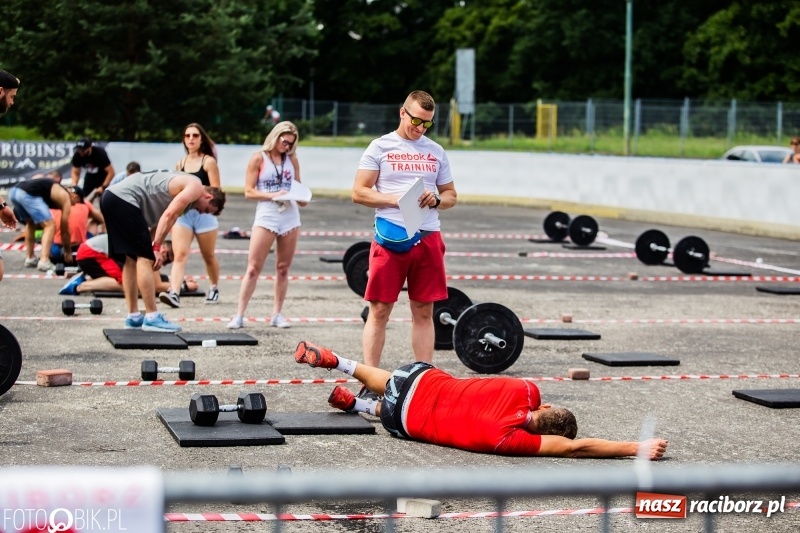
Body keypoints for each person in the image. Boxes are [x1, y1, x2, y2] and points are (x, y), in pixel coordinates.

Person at [294, 341, 669, 460]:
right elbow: (574, 449)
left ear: (546, 408)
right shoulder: (510, 441)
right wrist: (635, 448)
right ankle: (359, 406)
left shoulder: (526, 391)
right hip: (400, 421)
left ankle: (338, 362)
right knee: (400, 412)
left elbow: (566, 440)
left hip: (416, 380)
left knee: (397, 380)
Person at [352, 90, 457, 377]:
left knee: (424, 311)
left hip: (428, 235)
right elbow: (359, 192)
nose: (420, 127)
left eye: (427, 123)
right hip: (392, 237)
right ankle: (370, 378)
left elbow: (451, 195)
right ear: (402, 112)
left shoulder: (436, 151)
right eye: (416, 120)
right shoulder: (380, 146)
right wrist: (396, 198)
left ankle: (424, 379)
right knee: (380, 310)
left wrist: (436, 200)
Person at [100, 170, 226, 332]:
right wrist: (156, 248)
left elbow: (161, 223)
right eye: (207, 210)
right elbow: (169, 215)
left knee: (130, 260)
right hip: (124, 198)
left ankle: (133, 317)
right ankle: (152, 317)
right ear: (208, 197)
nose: (202, 213)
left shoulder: (188, 203)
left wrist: (153, 243)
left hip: (112, 197)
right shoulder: (195, 187)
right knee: (145, 258)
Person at [227, 121, 305, 330]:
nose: (287, 146)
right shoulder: (259, 158)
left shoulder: (292, 159)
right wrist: (272, 195)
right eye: (284, 141)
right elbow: (249, 191)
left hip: (290, 214)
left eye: (291, 143)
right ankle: (239, 314)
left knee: (283, 268)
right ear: (276, 136)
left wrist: (302, 196)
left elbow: (297, 185)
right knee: (253, 267)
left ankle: (277, 314)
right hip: (267, 214)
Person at [158, 124, 222, 308]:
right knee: (180, 254)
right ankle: (175, 292)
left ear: (201, 139)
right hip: (185, 214)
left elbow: (216, 191)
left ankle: (214, 287)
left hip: (204, 214)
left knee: (208, 255)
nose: (191, 139)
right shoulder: (181, 164)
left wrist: (199, 196)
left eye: (195, 135)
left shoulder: (208, 162)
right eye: (187, 136)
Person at [59, 234, 197, 296]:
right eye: (167, 260)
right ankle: (79, 287)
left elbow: (154, 279)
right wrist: (183, 286)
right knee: (128, 284)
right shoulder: (151, 251)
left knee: (134, 281)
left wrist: (178, 280)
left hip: (92, 251)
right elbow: (156, 286)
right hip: (92, 253)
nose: (164, 265)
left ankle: (86, 278)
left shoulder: (153, 246)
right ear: (164, 252)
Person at [9, 177, 72, 271]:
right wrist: (67, 251)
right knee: (50, 225)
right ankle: (44, 261)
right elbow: (64, 229)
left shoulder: (51, 192)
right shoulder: (65, 196)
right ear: (73, 196)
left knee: (30, 224)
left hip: (14, 192)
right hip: (26, 194)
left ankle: (30, 258)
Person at [49, 185, 104, 262]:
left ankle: (45, 256)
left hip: (57, 250)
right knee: (94, 222)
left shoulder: (53, 205)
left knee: (48, 228)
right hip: (80, 249)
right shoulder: (85, 204)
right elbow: (102, 219)